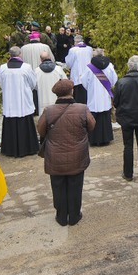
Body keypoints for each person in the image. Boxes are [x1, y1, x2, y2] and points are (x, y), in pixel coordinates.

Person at [38, 79, 95, 226]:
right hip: (77, 155)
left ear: (57, 94)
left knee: (57, 186)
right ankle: (75, 215)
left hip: (55, 156)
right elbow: (92, 125)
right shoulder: (82, 109)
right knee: (75, 185)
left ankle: (61, 216)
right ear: (72, 91)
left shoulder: (48, 111)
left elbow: (41, 130)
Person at [113, 55, 138, 181]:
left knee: (128, 145)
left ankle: (128, 174)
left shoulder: (121, 82)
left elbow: (116, 102)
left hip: (126, 117)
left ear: (128, 66)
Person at [0, 47, 39, 157]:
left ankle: (10, 149)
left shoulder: (3, 68)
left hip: (10, 101)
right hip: (23, 101)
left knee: (11, 123)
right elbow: (33, 83)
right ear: (20, 54)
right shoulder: (26, 67)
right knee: (24, 123)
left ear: (9, 55)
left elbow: (1, 83)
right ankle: (28, 148)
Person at [82, 48, 118, 146]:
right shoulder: (109, 65)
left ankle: (94, 139)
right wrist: (108, 86)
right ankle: (106, 138)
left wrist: (90, 89)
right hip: (105, 95)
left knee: (94, 117)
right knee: (105, 116)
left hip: (93, 95)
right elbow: (114, 79)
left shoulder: (89, 67)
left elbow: (84, 81)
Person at [35, 50, 67, 117]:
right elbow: (65, 82)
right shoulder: (58, 69)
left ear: (41, 59)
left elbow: (34, 86)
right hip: (56, 99)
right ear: (50, 57)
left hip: (42, 99)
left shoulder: (36, 71)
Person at [65, 35, 93, 104]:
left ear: (75, 41)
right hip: (88, 74)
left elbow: (69, 63)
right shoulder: (89, 49)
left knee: (78, 97)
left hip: (77, 76)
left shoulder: (73, 50)